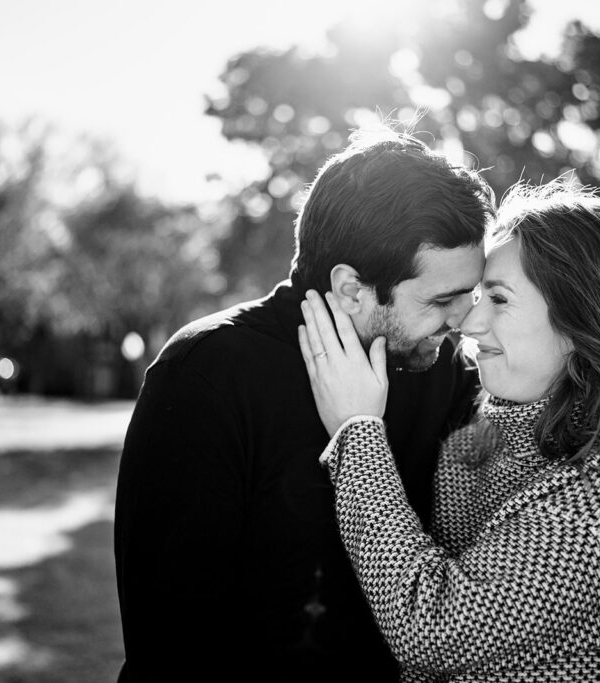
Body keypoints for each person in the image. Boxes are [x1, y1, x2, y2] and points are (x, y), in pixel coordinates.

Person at [112, 128, 496, 681]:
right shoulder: (206, 373)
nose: (465, 320)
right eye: (441, 300)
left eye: (473, 293)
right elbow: (169, 642)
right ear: (350, 289)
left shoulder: (449, 375)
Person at [297, 181, 600, 682]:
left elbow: (435, 633)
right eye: (477, 296)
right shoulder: (475, 445)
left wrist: (357, 432)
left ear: (583, 319)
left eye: (497, 298)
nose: (469, 322)